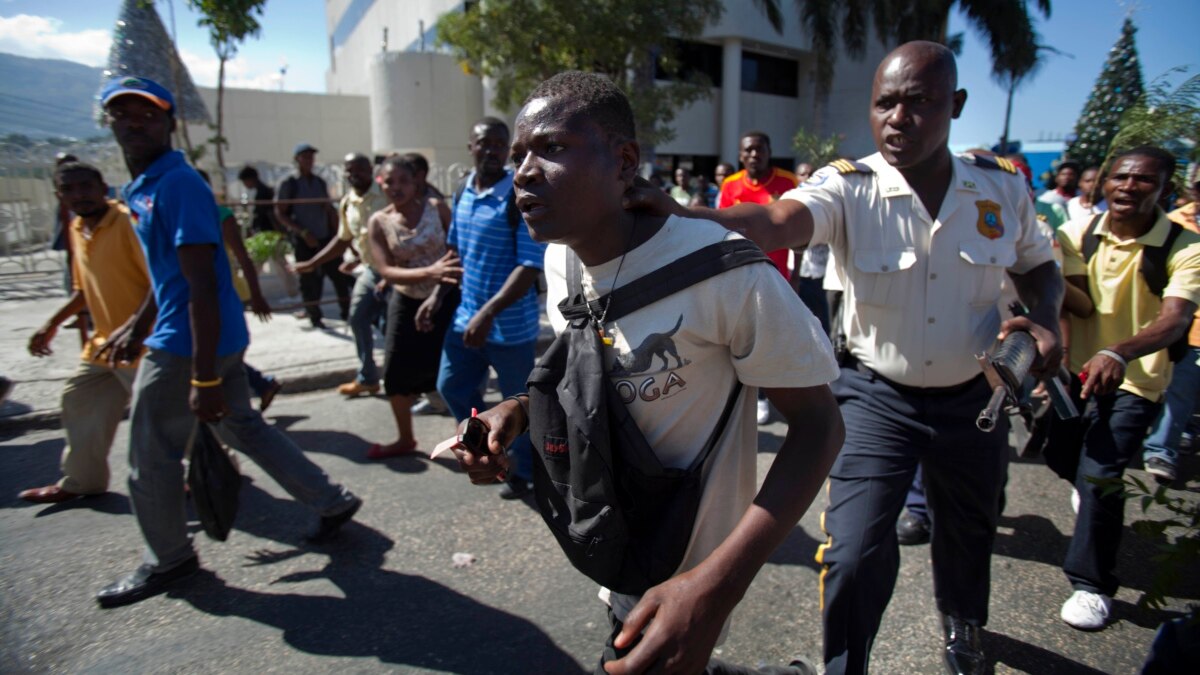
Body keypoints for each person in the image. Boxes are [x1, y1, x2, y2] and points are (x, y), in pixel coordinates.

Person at [629, 42, 1064, 675]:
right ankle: (845, 665)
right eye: (885, 102)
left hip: (975, 400)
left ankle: (964, 625)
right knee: (854, 551)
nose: (898, 118)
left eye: (919, 102)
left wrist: (1046, 319)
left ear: (957, 105)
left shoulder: (1000, 187)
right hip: (875, 396)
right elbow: (776, 220)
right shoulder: (849, 186)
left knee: (969, 530)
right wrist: (685, 215)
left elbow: (1038, 265)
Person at [446, 69, 841, 675]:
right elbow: (578, 371)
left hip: (688, 563)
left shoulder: (727, 273)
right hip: (616, 535)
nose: (523, 171)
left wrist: (717, 586)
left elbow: (818, 428)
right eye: (521, 154)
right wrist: (514, 412)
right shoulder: (563, 261)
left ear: (624, 161)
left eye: (551, 148)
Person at [93, 76, 361, 608]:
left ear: (170, 123)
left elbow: (201, 285)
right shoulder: (143, 186)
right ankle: (330, 500)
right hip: (191, 333)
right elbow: (168, 273)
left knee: (149, 455)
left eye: (145, 114)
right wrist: (137, 322)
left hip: (189, 342)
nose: (133, 122)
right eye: (121, 114)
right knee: (244, 428)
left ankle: (169, 558)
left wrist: (203, 375)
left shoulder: (178, 185)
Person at [1054, 146, 1200, 630]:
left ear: (1164, 188)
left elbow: (1175, 320)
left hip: (1136, 379)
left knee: (1101, 474)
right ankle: (1090, 491)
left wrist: (1119, 352)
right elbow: (1081, 307)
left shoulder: (1186, 248)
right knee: (1062, 457)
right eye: (1120, 177)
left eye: (1142, 180)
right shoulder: (1075, 234)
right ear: (1105, 183)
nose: (1127, 187)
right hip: (1075, 376)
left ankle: (1091, 584)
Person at [416, 116, 546, 500]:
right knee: (450, 385)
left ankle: (518, 468)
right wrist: (437, 297)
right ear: (470, 148)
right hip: (465, 320)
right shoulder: (462, 193)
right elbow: (455, 251)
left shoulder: (518, 193)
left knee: (519, 406)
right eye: (483, 143)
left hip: (509, 327)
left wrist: (488, 313)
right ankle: (483, 443)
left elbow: (528, 265)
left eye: (498, 144)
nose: (491, 150)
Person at [19, 162, 151, 504]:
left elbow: (160, 284)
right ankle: (82, 480)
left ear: (103, 187)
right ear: (59, 196)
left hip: (145, 342)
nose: (80, 195)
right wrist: (50, 325)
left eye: (86, 187)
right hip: (103, 345)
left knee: (169, 417)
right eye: (70, 189)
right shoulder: (78, 229)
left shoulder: (128, 223)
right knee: (79, 400)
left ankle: (211, 468)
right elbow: (83, 291)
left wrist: (136, 331)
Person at [365, 156, 460, 459]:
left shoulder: (437, 209)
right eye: (389, 181)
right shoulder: (379, 222)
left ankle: (469, 436)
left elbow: (456, 249)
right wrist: (429, 273)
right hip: (405, 300)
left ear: (416, 181)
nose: (396, 187)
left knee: (456, 371)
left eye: (403, 181)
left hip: (446, 298)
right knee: (394, 371)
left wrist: (439, 283)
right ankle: (405, 438)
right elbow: (387, 271)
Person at [291, 153, 389, 398]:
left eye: (359, 170)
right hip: (370, 270)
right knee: (357, 319)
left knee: (393, 328)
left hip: (397, 272)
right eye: (349, 170)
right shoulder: (348, 202)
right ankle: (367, 377)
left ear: (370, 170)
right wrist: (313, 263)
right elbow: (344, 239)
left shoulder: (387, 193)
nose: (354, 175)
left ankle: (413, 383)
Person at [717, 131, 799, 424]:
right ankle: (743, 396)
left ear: (768, 151)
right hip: (739, 275)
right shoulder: (730, 185)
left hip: (777, 276)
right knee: (740, 338)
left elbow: (799, 231)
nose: (754, 155)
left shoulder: (788, 182)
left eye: (759, 149)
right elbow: (719, 232)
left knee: (772, 339)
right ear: (741, 155)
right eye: (748, 150)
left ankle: (766, 396)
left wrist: (797, 274)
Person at [196, 169, 283, 412]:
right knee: (216, 353)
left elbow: (243, 257)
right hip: (199, 296)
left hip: (226, 292)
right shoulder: (180, 217)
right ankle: (259, 386)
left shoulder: (221, 216)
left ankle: (254, 392)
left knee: (219, 353)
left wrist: (256, 295)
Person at [275, 143, 353, 329]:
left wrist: (341, 234)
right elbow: (280, 212)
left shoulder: (319, 182)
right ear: (297, 159)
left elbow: (328, 210)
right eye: (305, 157)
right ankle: (315, 316)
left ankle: (346, 312)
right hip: (304, 240)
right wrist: (302, 232)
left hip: (325, 237)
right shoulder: (289, 184)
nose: (309, 160)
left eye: (311, 157)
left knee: (339, 275)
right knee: (310, 280)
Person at [237, 164, 298, 297]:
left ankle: (246, 293)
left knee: (263, 265)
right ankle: (293, 292)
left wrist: (280, 232)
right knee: (275, 264)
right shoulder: (260, 191)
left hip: (268, 235)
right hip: (266, 234)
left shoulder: (263, 192)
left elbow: (271, 214)